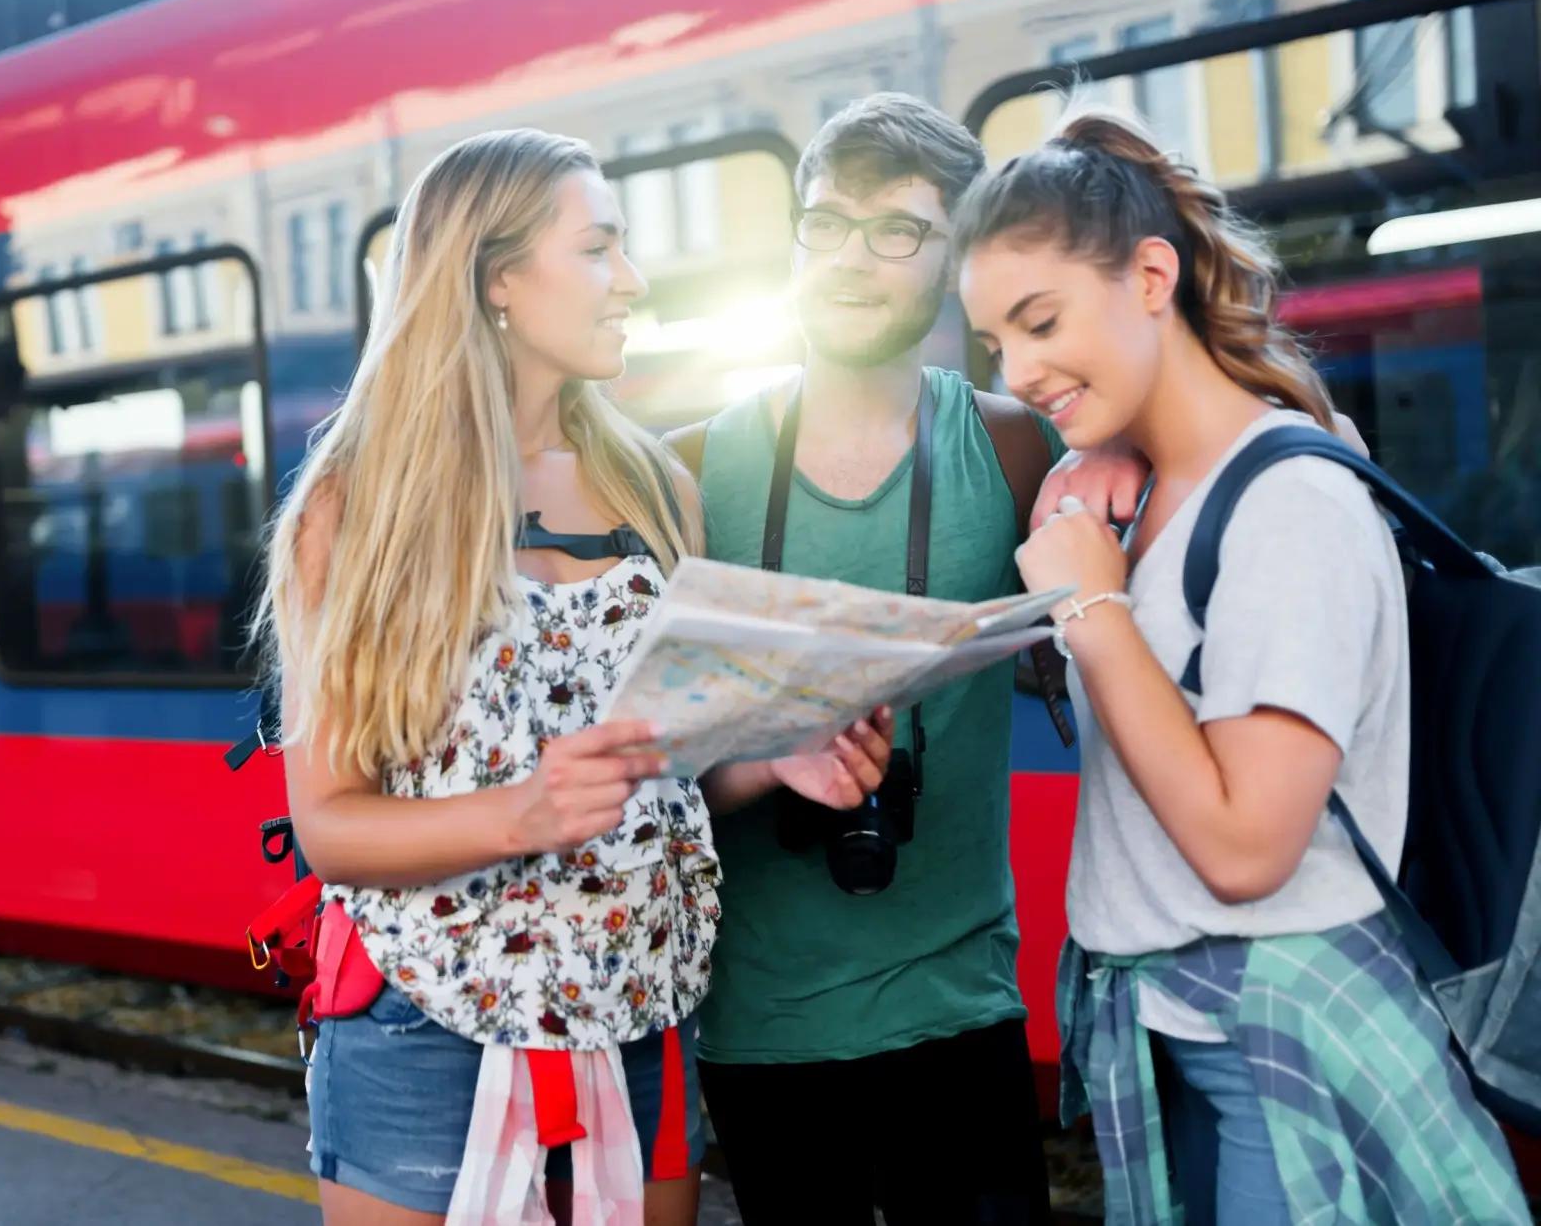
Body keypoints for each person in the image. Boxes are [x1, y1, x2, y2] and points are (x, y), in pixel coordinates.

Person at [253, 127, 889, 1225]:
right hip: (422, 1032)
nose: (630, 280)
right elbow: (332, 827)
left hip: (634, 1015)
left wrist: (774, 759)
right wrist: (522, 812)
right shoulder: (353, 511)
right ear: (498, 278)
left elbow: (661, 773)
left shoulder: (651, 488)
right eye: (597, 248)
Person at [956, 102, 1532, 1225]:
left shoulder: (1288, 505)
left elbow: (1242, 845)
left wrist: (1090, 604)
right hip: (1175, 1032)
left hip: (1285, 1045)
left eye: (1040, 321)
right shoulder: (1142, 495)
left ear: (1150, 275)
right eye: (993, 344)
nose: (1018, 371)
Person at [663, 92, 1145, 1225]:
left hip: (961, 1007)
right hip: (758, 1025)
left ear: (956, 257)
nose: (850, 257)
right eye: (825, 223)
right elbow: (644, 763)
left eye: (898, 229)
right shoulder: (687, 471)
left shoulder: (1019, 444)